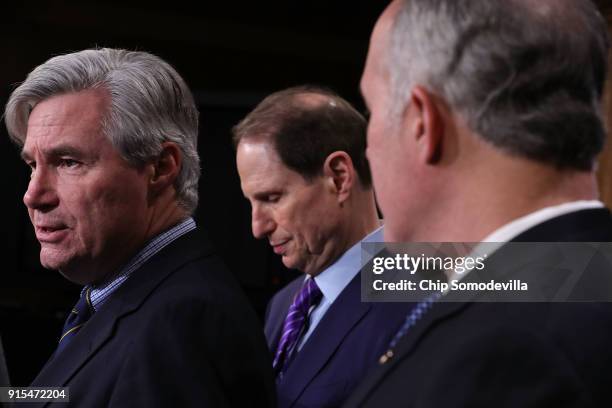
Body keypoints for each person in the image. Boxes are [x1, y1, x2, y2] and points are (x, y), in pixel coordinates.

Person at [345, 0, 612, 406]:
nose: (367, 145)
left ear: (422, 122)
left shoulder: (502, 355)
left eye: (373, 109)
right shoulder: (578, 286)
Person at [4, 48, 275, 407]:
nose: (33, 195)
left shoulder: (182, 326)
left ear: (161, 168)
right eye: (31, 165)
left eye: (68, 162)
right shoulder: (118, 294)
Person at [233, 86, 413, 408]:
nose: (257, 228)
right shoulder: (282, 306)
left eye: (272, 198)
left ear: (339, 178)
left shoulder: (424, 291)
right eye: (251, 202)